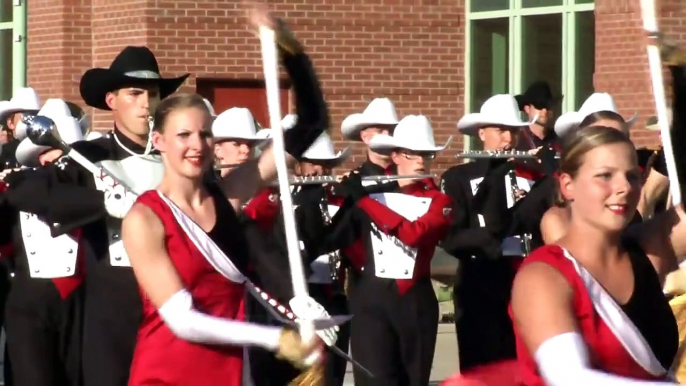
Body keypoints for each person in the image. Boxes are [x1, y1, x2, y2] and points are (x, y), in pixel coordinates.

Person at [120, 8, 335, 384]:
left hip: (231, 372)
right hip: (166, 373)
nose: (197, 145)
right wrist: (277, 338)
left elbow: (311, 123)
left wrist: (290, 50)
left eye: (205, 135)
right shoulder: (144, 219)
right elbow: (183, 320)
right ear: (159, 141)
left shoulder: (229, 195)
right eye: (184, 135)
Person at [511, 125, 686, 385]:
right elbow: (569, 377)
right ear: (568, 185)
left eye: (632, 176)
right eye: (605, 176)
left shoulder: (649, 250)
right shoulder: (541, 276)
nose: (624, 187)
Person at [323, 114, 453, 385]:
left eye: (426, 155)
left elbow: (412, 235)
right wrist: (334, 197)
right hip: (372, 301)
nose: (420, 161)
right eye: (413, 153)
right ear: (395, 156)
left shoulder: (439, 200)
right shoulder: (371, 193)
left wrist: (364, 201)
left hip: (415, 301)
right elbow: (333, 238)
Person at [441, 94, 535, 371]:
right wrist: (489, 238)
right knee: (481, 368)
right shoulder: (459, 177)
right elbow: (452, 238)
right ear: (482, 133)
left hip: (528, 278)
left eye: (514, 130)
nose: (508, 138)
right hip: (481, 279)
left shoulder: (531, 174)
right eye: (501, 130)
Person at [0, 99, 86, 386]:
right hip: (31, 301)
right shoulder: (21, 188)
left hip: (82, 302)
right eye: (50, 153)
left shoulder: (93, 187)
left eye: (65, 153)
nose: (58, 162)